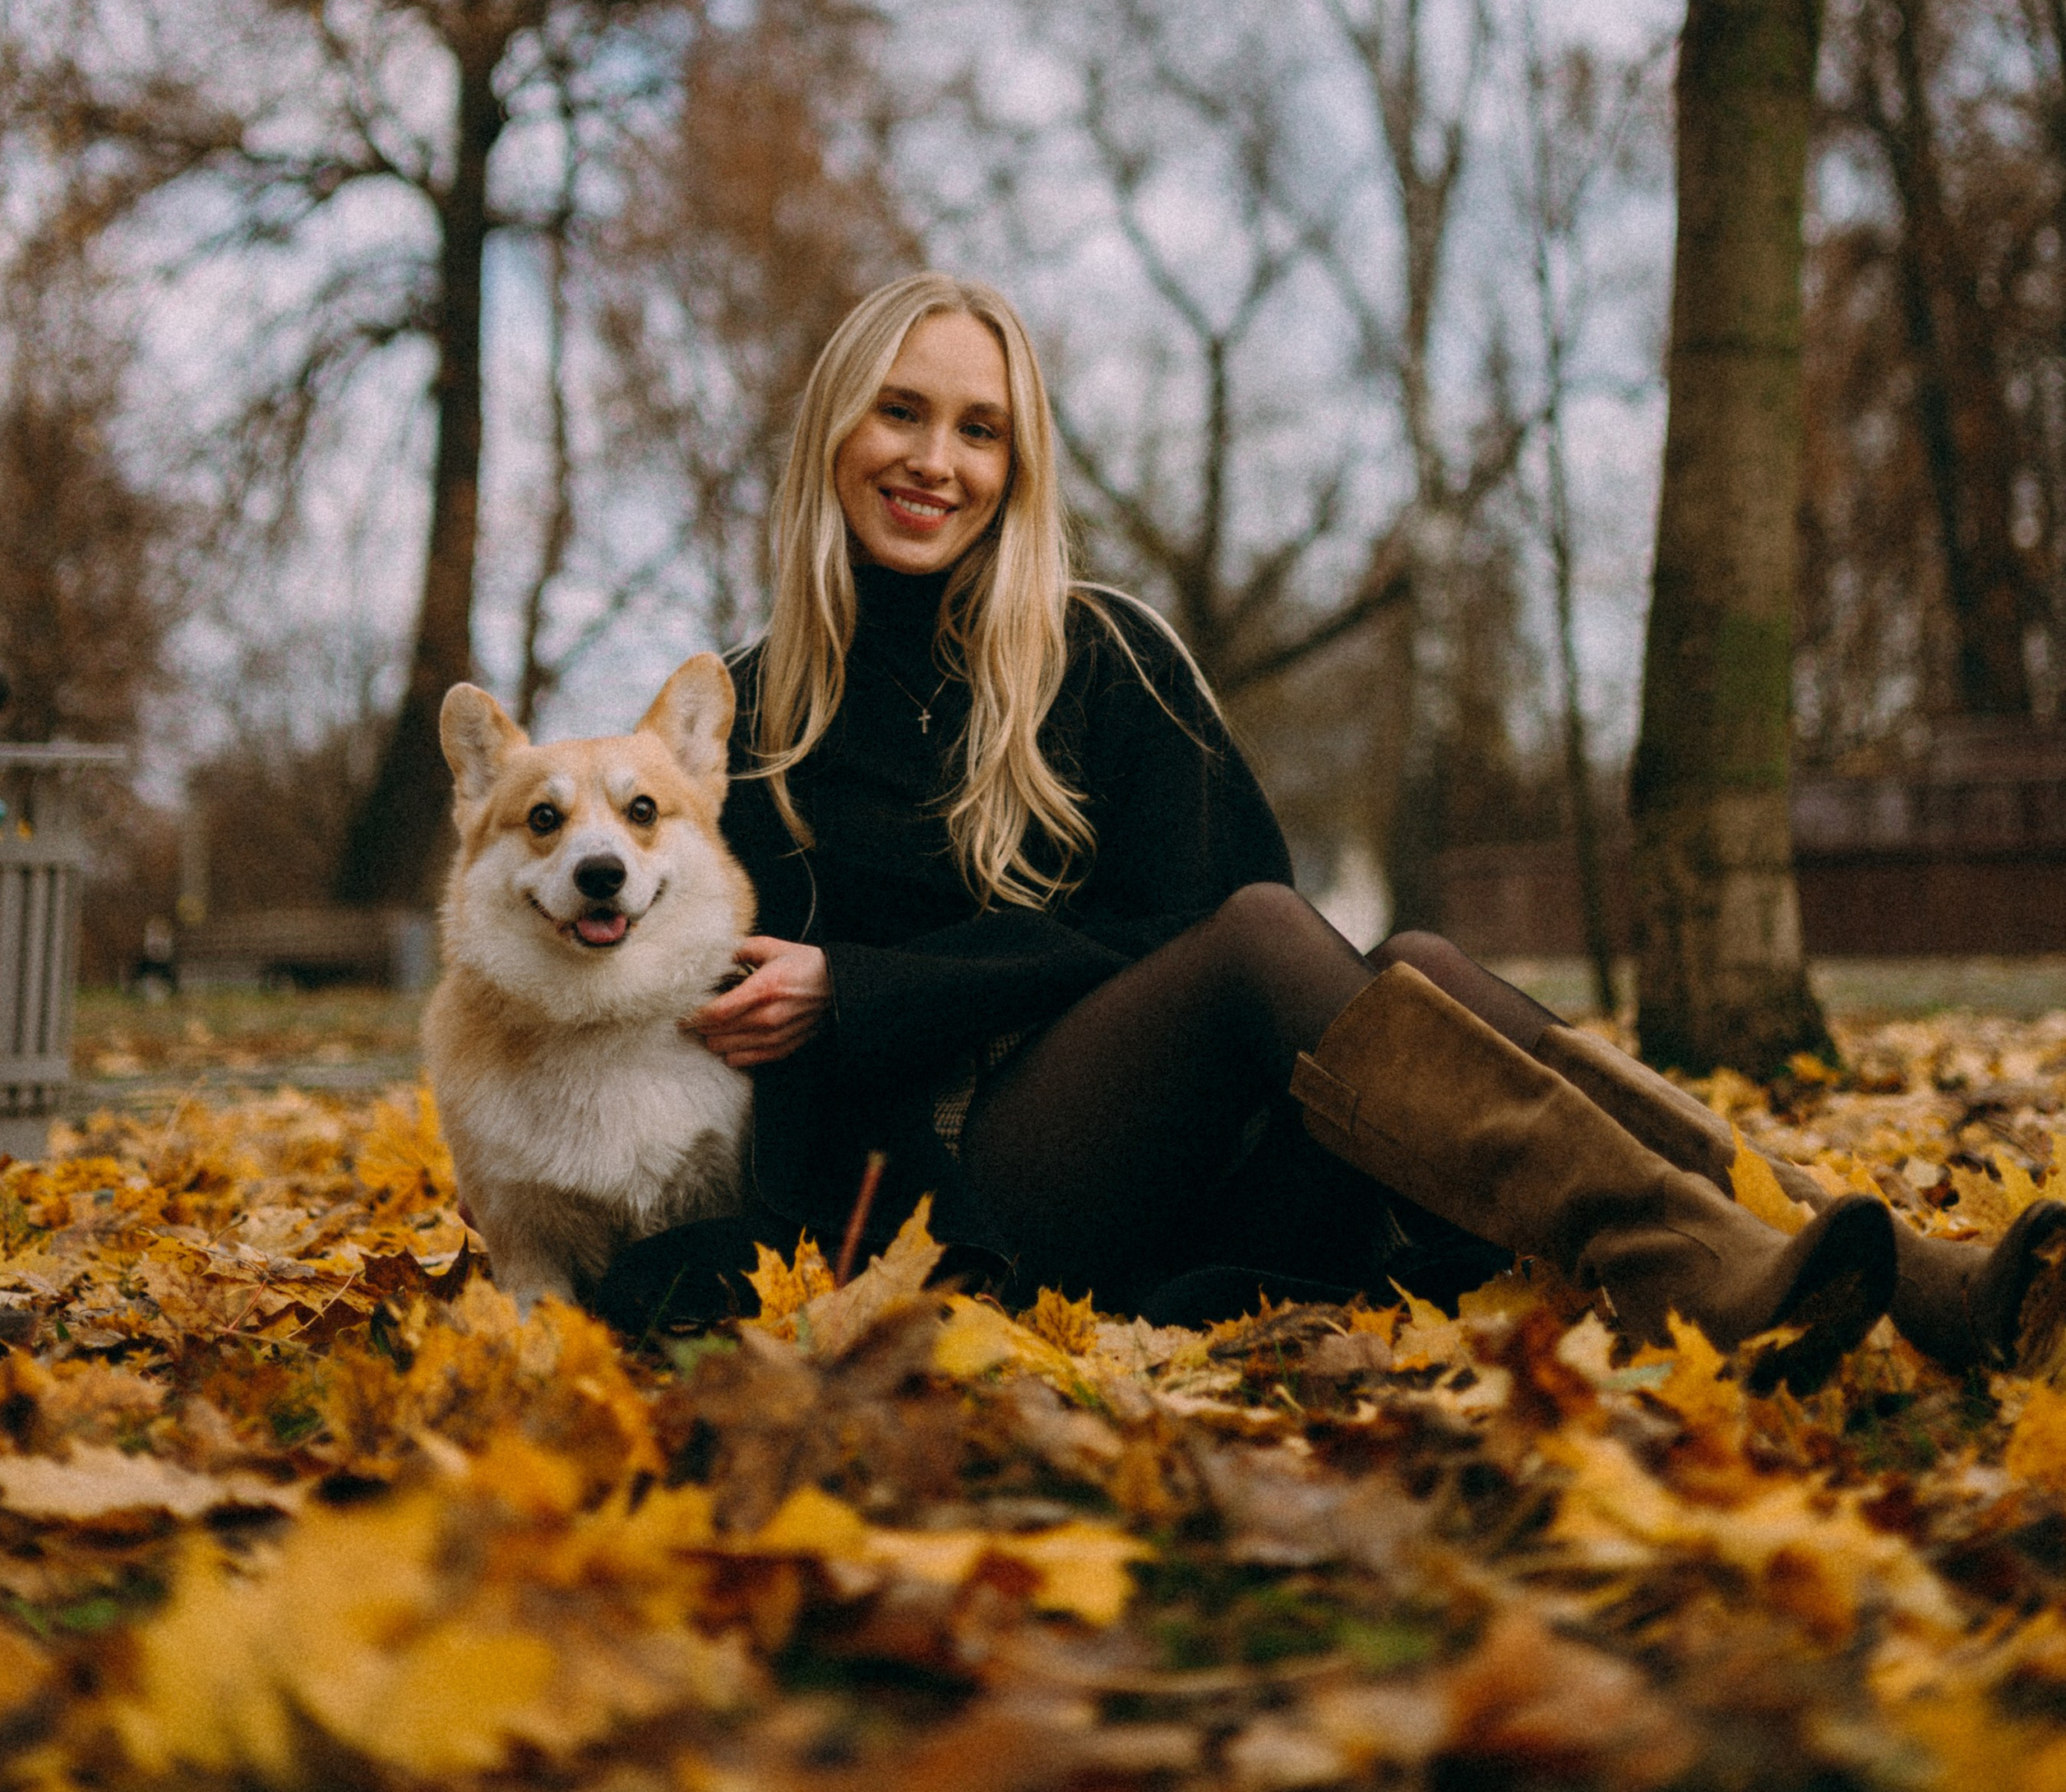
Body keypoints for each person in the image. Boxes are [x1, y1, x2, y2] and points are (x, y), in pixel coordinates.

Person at [594, 273, 2064, 1385]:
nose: (937, 460)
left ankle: (1876, 1270)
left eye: (982, 429)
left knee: (1406, 955)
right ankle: (1714, 1270)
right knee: (1275, 948)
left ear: (1020, 465)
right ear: (835, 431)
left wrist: (873, 986)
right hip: (971, 1196)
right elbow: (697, 998)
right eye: (901, 411)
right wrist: (837, 1015)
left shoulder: (1099, 653)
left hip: (1220, 1160)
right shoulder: (738, 714)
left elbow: (1197, 927)